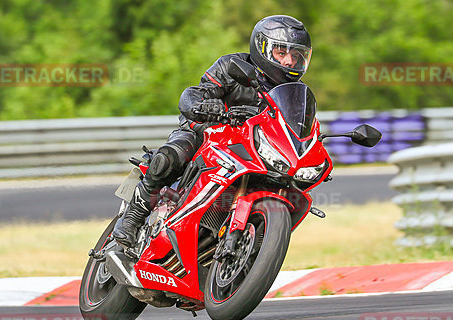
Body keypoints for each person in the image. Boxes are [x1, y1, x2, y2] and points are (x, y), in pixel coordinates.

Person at [112, 14, 312, 248]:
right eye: (282, 52)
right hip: (208, 133)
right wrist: (204, 106)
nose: (289, 61)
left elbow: (299, 130)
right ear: (263, 47)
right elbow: (195, 93)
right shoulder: (232, 66)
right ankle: (132, 219)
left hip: (250, 149)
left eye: (297, 55)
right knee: (171, 157)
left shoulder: (296, 94)